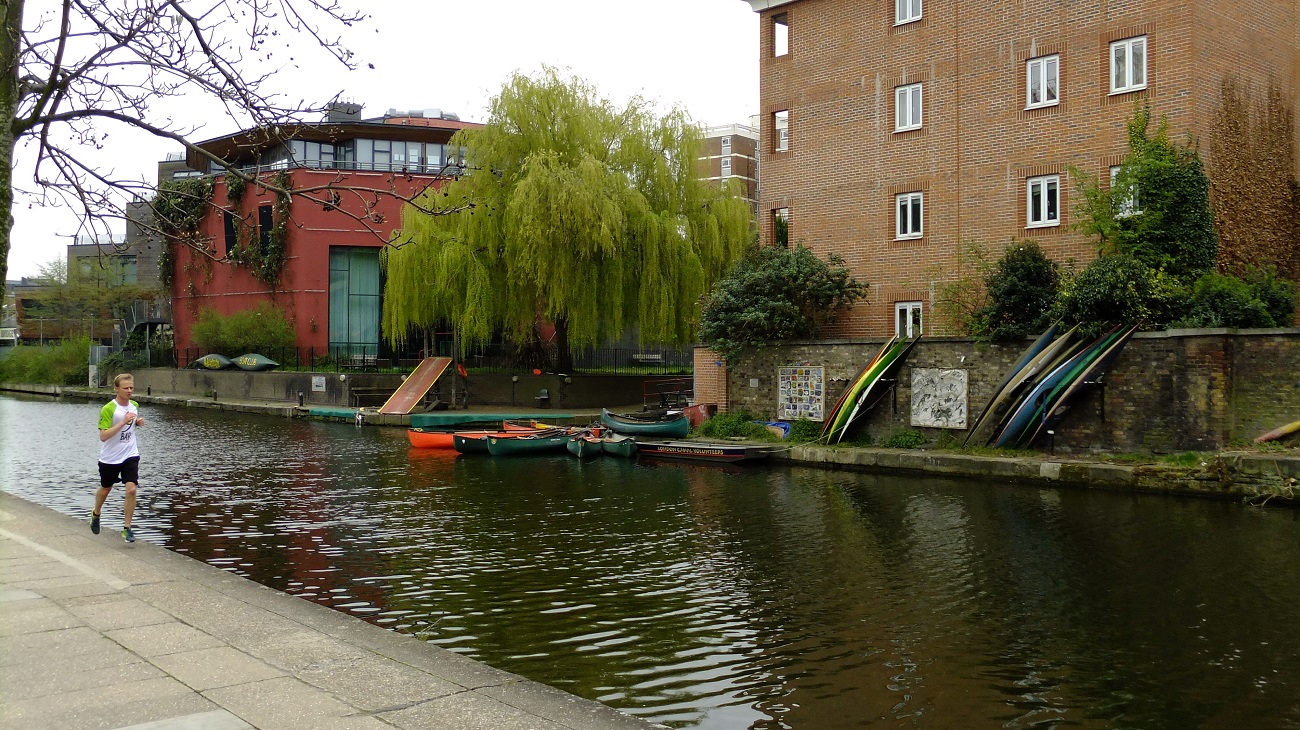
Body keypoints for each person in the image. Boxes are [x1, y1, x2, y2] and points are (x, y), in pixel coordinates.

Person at [92, 373, 145, 543]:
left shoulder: (134, 405)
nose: (129, 391)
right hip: (110, 457)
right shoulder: (109, 409)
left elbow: (131, 423)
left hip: (130, 454)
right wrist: (122, 422)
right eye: (126, 388)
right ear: (116, 389)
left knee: (131, 489)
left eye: (131, 387)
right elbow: (103, 436)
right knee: (106, 488)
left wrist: (137, 423)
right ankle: (96, 513)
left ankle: (127, 528)